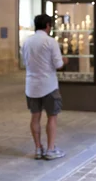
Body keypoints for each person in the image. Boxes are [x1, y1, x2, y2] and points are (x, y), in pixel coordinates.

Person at [22, 14, 68, 160]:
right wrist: (64, 61)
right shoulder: (50, 42)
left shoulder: (26, 42)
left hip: (32, 85)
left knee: (35, 117)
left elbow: (25, 62)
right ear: (48, 25)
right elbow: (58, 64)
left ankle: (37, 149)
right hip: (48, 85)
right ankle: (50, 149)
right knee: (52, 117)